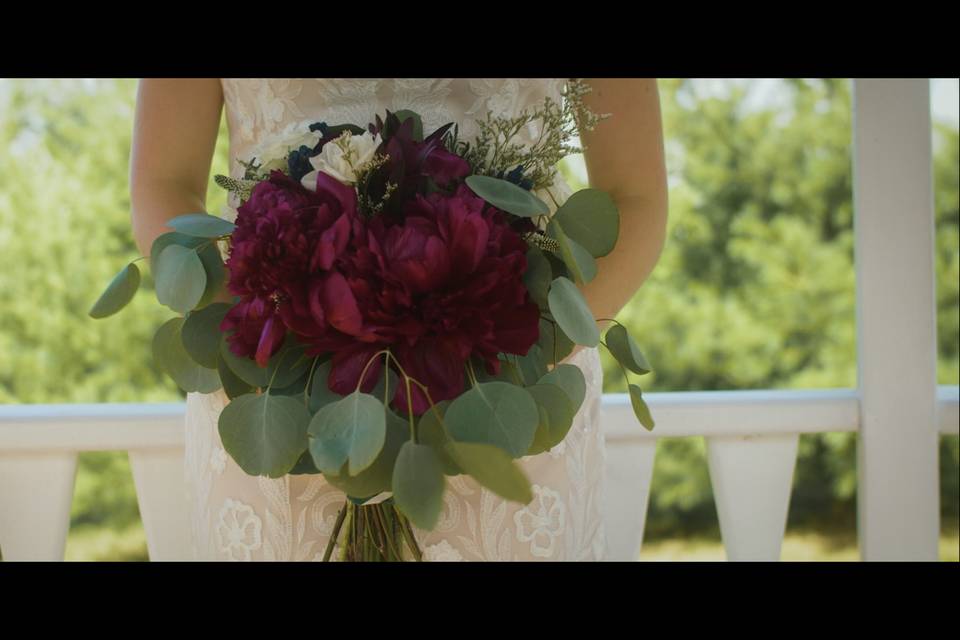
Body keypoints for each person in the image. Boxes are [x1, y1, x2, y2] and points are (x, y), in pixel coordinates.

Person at [130, 78, 667, 561]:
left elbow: (635, 198)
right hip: (279, 384)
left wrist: (519, 355)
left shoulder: (514, 373)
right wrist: (278, 345)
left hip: (507, 380)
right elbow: (164, 181)